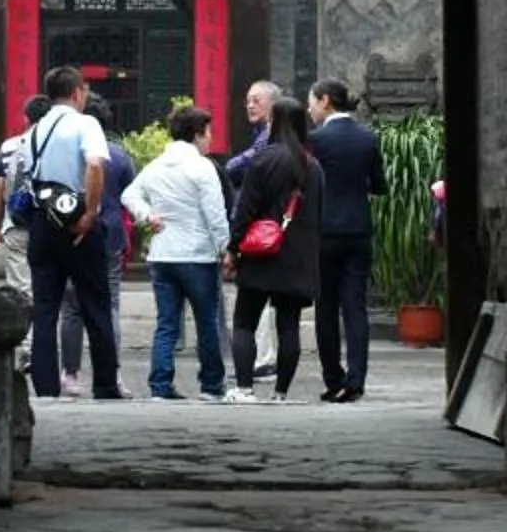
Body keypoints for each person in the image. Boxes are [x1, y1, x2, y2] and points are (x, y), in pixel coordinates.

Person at [22, 65, 122, 400]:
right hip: (78, 224)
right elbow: (94, 164)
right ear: (78, 92)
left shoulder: (33, 132)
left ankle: (46, 387)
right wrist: (90, 213)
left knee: (45, 308)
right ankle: (105, 383)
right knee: (95, 303)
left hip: (42, 224)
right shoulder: (85, 123)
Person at [123, 104, 232, 401]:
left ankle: (160, 385)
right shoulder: (202, 167)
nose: (210, 139)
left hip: (162, 254)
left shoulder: (156, 166)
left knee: (167, 324)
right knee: (206, 321)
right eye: (208, 133)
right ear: (197, 134)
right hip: (197, 255)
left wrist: (147, 216)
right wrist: (225, 247)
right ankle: (211, 385)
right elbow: (215, 214)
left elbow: (129, 194)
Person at [228, 99, 325, 401]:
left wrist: (233, 247)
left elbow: (245, 209)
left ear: (276, 122)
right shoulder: (314, 167)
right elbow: (318, 217)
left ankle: (244, 388)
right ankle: (281, 392)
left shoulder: (263, 159)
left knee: (245, 322)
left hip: (261, 254)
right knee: (289, 326)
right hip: (296, 258)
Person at [305, 79, 387, 403]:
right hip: (358, 231)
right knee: (355, 307)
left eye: (311, 102)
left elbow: (306, 185)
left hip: (324, 234)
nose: (310, 109)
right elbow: (380, 186)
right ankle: (356, 380)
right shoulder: (367, 139)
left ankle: (333, 379)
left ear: (325, 101)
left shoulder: (315, 140)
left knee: (325, 308)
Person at [58, 101, 136, 381]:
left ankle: (70, 375)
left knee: (72, 307)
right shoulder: (120, 156)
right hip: (110, 235)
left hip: (74, 232)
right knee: (110, 303)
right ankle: (111, 373)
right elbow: (131, 196)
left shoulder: (68, 153)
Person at [0, 94, 49, 308]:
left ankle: (25, 338)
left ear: (26, 118)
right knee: (48, 284)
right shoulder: (56, 146)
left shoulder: (10, 146)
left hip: (16, 223)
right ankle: (44, 335)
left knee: (21, 288)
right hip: (50, 223)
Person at [221, 80, 280, 186]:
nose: (250, 106)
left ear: (273, 105)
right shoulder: (259, 130)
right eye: (248, 102)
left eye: (256, 101)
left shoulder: (271, 133)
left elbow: (234, 166)